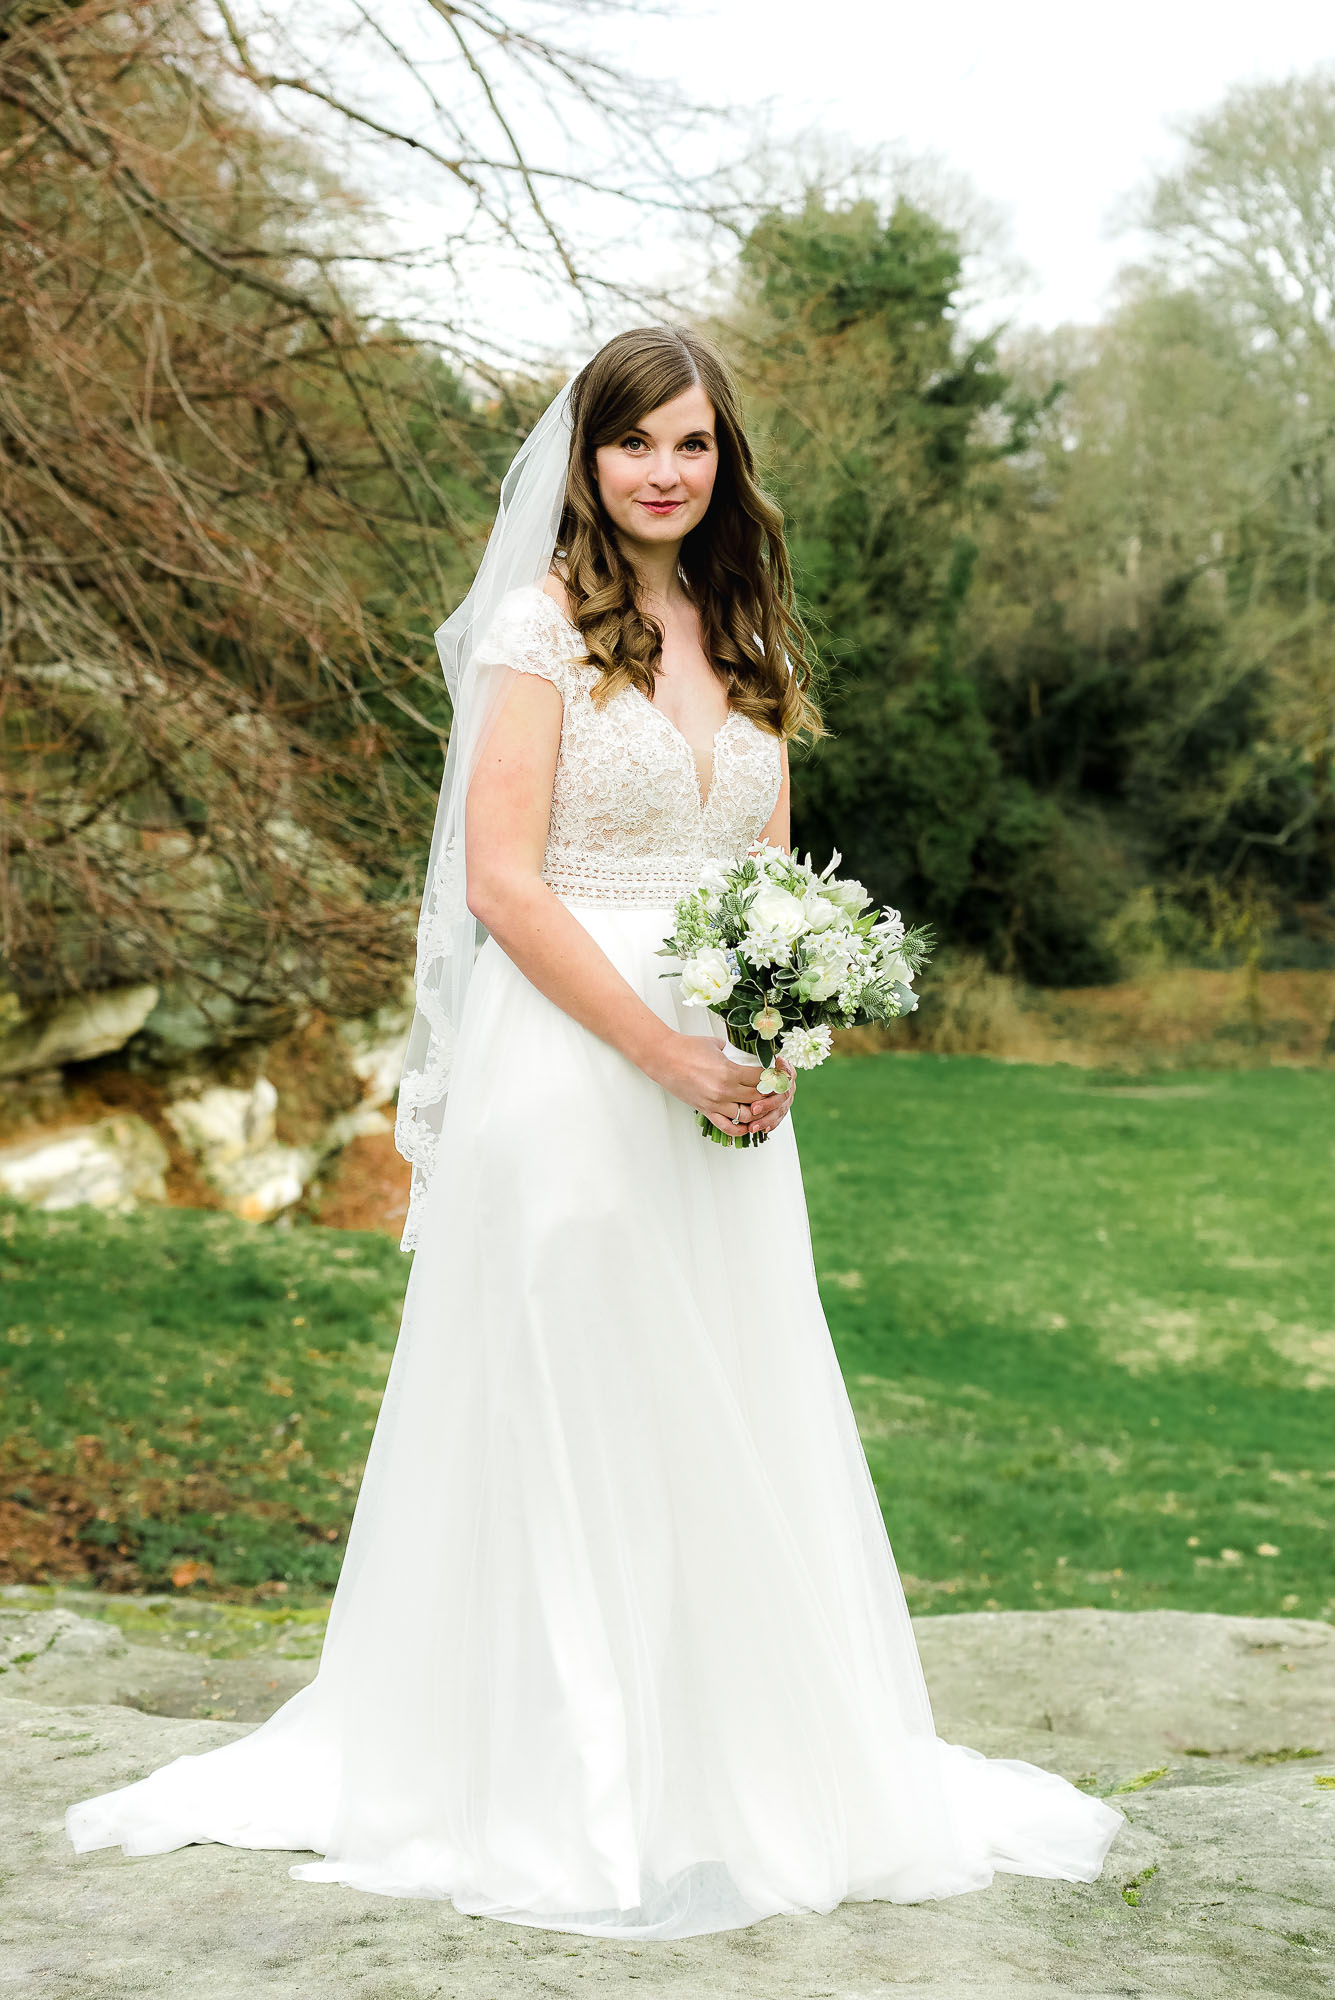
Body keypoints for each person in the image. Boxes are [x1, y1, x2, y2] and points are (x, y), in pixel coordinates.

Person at [67, 325, 1122, 1939]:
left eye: (692, 444)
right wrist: (662, 1054)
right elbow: (502, 880)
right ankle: (570, 1782)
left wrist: (773, 1030)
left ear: (724, 462)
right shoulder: (536, 623)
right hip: (569, 1062)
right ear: (588, 457)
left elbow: (769, 859)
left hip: (723, 1072)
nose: (664, 472)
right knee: (574, 1392)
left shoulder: (748, 624)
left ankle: (726, 1771)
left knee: (727, 1388)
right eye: (636, 443)